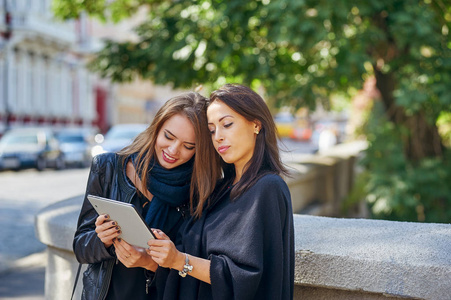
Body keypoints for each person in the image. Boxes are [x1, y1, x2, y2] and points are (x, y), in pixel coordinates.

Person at [148, 84, 294, 299]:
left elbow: (245, 276)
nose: (218, 137)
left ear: (256, 125)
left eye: (227, 124)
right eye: (212, 130)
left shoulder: (267, 188)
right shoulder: (221, 189)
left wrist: (180, 260)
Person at [73, 92, 221, 300]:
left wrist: (149, 263)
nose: (173, 150)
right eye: (168, 137)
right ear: (156, 128)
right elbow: (80, 247)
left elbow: (198, 272)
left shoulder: (202, 190)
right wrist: (102, 240)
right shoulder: (108, 168)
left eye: (188, 146)